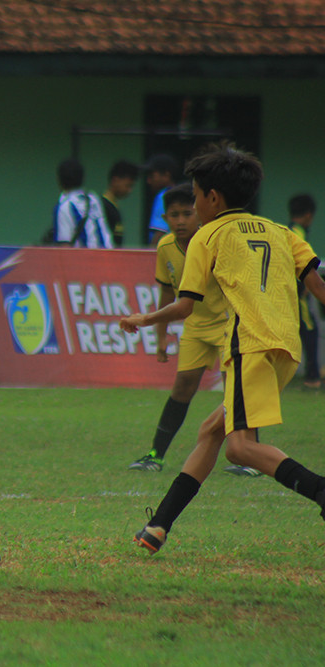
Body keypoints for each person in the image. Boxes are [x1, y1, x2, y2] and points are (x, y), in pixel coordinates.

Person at [119, 142, 325, 553]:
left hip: (249, 343)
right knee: (212, 431)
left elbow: (184, 305)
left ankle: (320, 489)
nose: (193, 207)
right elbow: (319, 288)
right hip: (286, 348)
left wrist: (145, 319)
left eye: (195, 197)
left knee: (240, 447)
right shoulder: (281, 232)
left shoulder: (207, 236)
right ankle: (158, 526)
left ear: (212, 198)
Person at [126, 185, 259, 477]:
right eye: (174, 215)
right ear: (164, 218)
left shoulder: (213, 240)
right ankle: (155, 455)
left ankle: (251, 456)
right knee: (183, 387)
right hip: (195, 326)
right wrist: (161, 336)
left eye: (187, 213)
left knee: (234, 389)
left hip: (227, 324)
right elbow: (166, 293)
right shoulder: (165, 248)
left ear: (198, 213)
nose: (180, 221)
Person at [288, 194, 320, 390]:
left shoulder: (287, 230)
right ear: (309, 215)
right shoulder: (298, 233)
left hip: (287, 294)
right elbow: (301, 263)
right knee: (310, 330)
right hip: (298, 294)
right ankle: (312, 377)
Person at [51, 158, 113, 248]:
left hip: (84, 256)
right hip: (107, 254)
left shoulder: (65, 206)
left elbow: (64, 246)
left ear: (59, 180)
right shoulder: (93, 199)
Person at [142, 154, 179, 246]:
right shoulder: (179, 194)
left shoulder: (164, 196)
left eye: (152, 176)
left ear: (166, 174)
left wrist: (151, 253)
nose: (148, 181)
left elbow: (160, 233)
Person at [101, 160, 139, 247]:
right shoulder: (103, 207)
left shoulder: (114, 206)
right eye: (128, 185)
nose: (129, 190)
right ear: (115, 180)